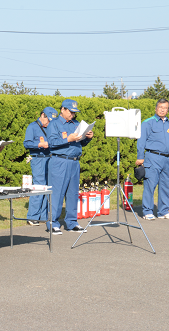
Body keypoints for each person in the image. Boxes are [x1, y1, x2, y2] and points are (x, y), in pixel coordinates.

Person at [47, 99, 93, 235]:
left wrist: (87, 138)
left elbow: (80, 144)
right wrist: (68, 139)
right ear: (63, 110)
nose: (72, 115)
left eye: (74, 112)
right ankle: (53, 223)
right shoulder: (54, 124)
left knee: (72, 193)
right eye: (70, 112)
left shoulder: (76, 124)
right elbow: (52, 143)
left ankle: (72, 222)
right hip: (59, 161)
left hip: (74, 162)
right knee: (57, 193)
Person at [135, 99, 169, 220]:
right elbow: (141, 141)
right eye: (160, 107)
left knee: (165, 185)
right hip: (153, 157)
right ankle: (147, 211)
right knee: (150, 184)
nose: (163, 109)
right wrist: (140, 157)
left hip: (167, 159)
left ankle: (163, 211)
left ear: (168, 109)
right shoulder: (148, 123)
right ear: (156, 108)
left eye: (165, 108)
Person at [23, 106, 59, 226]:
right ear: (42, 115)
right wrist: (40, 144)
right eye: (48, 120)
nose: (49, 123)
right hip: (38, 160)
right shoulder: (32, 126)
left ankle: (43, 216)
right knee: (39, 187)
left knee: (47, 188)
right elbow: (26, 143)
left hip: (50, 159)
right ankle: (32, 216)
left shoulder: (51, 127)